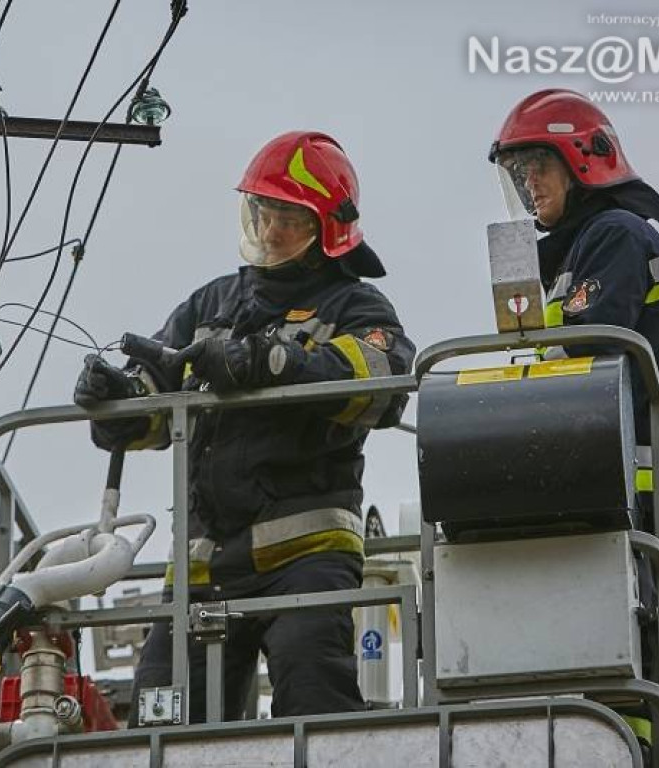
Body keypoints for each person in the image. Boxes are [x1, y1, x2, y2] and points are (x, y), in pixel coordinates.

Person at [75, 131, 415, 723]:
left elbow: (383, 385)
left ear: (326, 232)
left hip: (307, 557)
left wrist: (275, 362)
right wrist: (120, 405)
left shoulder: (354, 308)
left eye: (289, 216)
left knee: (316, 705)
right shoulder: (212, 305)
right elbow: (158, 397)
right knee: (162, 720)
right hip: (206, 561)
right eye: (263, 210)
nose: (271, 228)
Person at [489, 88, 659, 756]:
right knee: (605, 665)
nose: (528, 183)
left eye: (539, 166)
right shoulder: (582, 251)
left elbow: (588, 346)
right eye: (519, 172)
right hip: (608, 481)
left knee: (621, 669)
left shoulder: (614, 236)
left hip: (627, 484)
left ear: (584, 162)